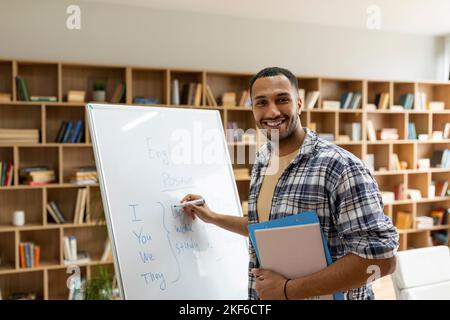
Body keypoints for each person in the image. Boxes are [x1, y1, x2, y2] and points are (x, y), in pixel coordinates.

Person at [181, 67, 399, 300]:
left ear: (299, 104)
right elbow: (266, 227)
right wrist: (212, 216)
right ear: (253, 109)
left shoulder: (340, 166)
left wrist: (287, 290)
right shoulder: (264, 161)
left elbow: (381, 258)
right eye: (261, 102)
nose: (272, 111)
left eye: (282, 99)